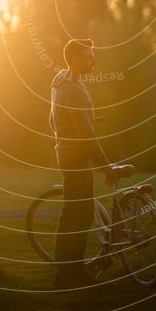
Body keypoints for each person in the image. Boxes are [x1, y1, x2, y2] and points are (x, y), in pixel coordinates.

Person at [49, 38, 114, 288]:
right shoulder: (74, 89)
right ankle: (67, 275)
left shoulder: (60, 81)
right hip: (76, 158)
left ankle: (69, 273)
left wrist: (86, 120)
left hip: (65, 153)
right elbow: (87, 137)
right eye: (89, 57)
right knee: (79, 216)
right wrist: (106, 166)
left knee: (72, 215)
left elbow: (54, 120)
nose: (94, 60)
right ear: (75, 60)